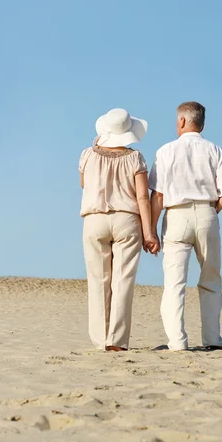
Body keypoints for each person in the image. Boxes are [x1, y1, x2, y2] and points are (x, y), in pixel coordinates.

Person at [149, 101, 222, 351]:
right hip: (206, 213)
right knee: (211, 279)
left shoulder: (166, 151)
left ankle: (177, 342)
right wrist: (212, 209)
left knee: (174, 283)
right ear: (202, 123)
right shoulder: (214, 150)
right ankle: (212, 340)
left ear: (182, 121)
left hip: (176, 215)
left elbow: (158, 196)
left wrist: (151, 230)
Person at [79, 108, 160, 352]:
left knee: (98, 280)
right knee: (123, 280)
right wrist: (149, 233)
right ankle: (117, 340)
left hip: (95, 220)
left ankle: (100, 338)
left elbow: (83, 183)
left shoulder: (87, 155)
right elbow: (143, 198)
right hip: (127, 219)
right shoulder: (135, 158)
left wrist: (96, 146)